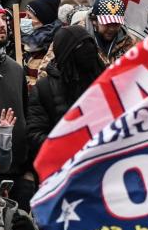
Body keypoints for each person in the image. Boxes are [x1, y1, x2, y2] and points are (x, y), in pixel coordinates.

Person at [27, 25, 105, 153]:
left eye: (90, 43)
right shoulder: (44, 89)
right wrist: (68, 146)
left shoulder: (105, 80)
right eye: (80, 46)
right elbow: (35, 134)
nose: (88, 49)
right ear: (66, 53)